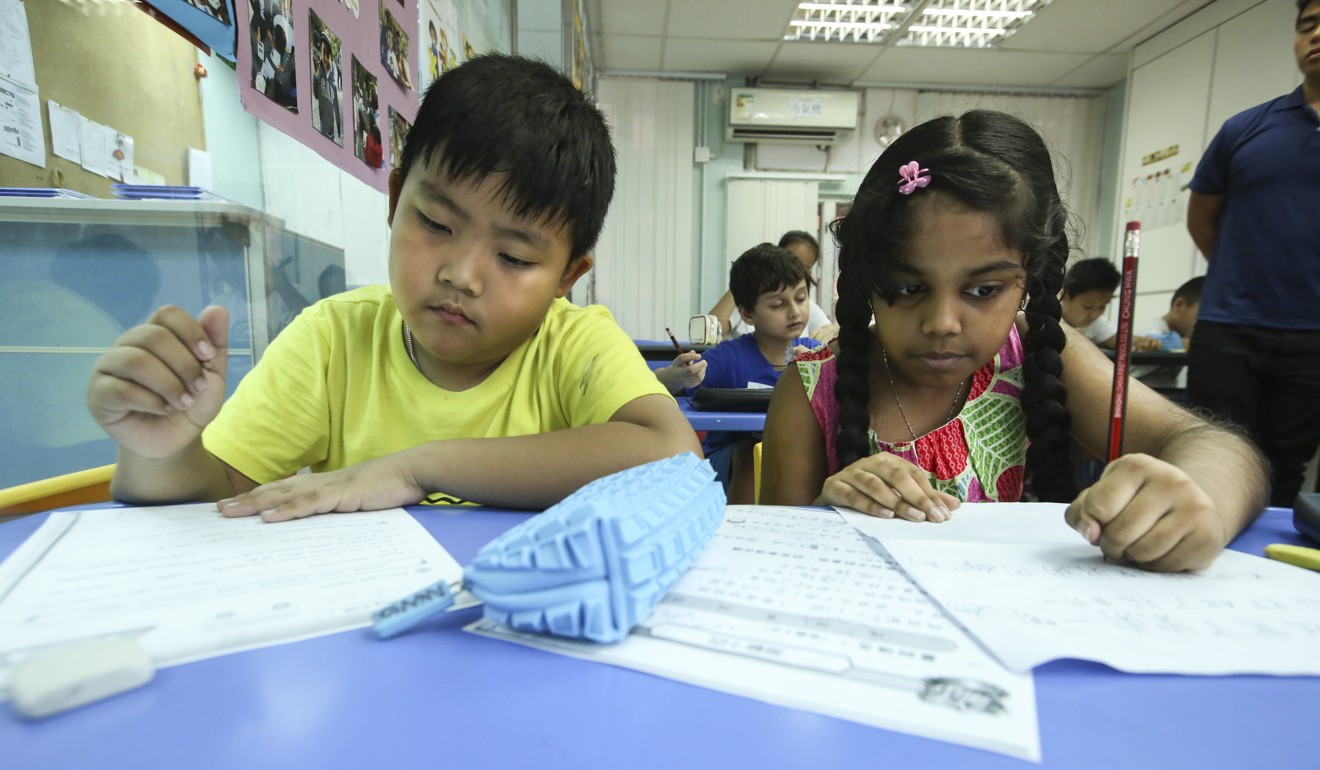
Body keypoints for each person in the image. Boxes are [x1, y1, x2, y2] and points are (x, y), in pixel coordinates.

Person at [86, 54, 699, 520]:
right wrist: (163, 451)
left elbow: (673, 456)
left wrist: (419, 467)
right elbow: (214, 500)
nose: (461, 274)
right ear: (395, 199)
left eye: (513, 256)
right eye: (435, 223)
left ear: (568, 276)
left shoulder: (573, 345)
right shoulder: (334, 341)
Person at [760, 109, 1268, 573]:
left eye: (983, 290)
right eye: (908, 287)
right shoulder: (812, 388)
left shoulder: (1032, 351)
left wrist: (1199, 502)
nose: (942, 322)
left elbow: (1220, 448)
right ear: (868, 277)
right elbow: (772, 561)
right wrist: (826, 515)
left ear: (1031, 276)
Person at [1185, 0, 1320, 506]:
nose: (1316, 35)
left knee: (1286, 464)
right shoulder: (1246, 129)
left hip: (1315, 338)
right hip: (1231, 327)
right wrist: (1239, 276)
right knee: (1211, 451)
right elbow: (1202, 218)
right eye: (1307, 26)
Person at [658, 243, 816, 503]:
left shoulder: (815, 355)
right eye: (777, 305)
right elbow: (649, 387)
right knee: (750, 454)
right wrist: (676, 377)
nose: (795, 311)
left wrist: (817, 374)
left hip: (791, 459)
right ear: (747, 314)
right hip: (728, 466)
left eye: (801, 298)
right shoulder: (729, 357)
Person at [707, 231, 837, 342]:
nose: (795, 312)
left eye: (802, 267)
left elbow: (830, 332)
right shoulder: (749, 300)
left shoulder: (805, 306)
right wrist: (745, 282)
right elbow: (709, 332)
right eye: (777, 304)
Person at [1059, 257, 1161, 351]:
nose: (1095, 314)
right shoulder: (1053, 318)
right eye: (1087, 306)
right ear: (1065, 296)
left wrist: (1144, 342)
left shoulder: (1095, 323)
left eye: (1102, 306)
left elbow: (1121, 341)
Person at [1132, 276, 1203, 393]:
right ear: (1179, 304)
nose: (1203, 321)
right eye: (1201, 313)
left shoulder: (1182, 335)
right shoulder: (1153, 327)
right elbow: (1155, 343)